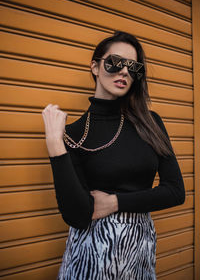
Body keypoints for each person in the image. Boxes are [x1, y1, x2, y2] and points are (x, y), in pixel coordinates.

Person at [42, 31, 185, 280]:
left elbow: (175, 191)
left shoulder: (150, 123)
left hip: (137, 251)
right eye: (115, 62)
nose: (125, 72)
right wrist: (55, 144)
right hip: (90, 256)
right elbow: (76, 215)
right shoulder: (74, 133)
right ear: (95, 67)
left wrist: (115, 202)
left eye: (134, 67)